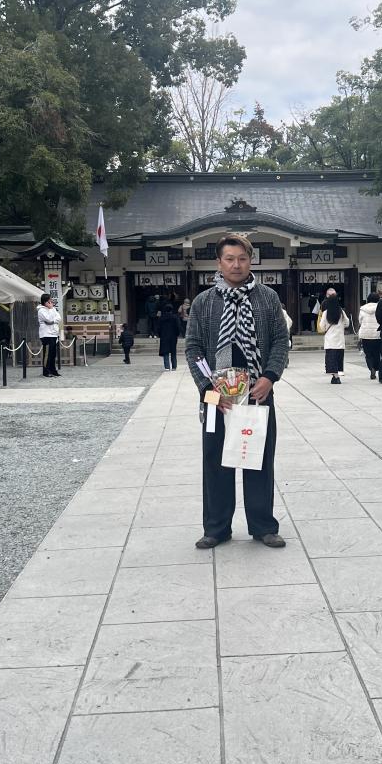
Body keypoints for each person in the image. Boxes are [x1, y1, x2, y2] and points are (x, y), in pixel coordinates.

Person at [184, 233, 289, 547]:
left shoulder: (268, 298)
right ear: (219, 262)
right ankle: (216, 528)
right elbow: (193, 348)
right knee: (216, 462)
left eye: (242, 258)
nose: (236, 265)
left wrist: (270, 376)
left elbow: (281, 341)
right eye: (229, 259)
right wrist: (209, 390)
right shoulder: (204, 302)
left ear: (251, 260)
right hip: (217, 397)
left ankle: (263, 526)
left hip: (258, 391)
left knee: (259, 460)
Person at [318, 292, 350, 383]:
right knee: (338, 358)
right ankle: (336, 376)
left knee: (331, 359)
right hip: (339, 339)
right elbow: (347, 323)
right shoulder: (341, 312)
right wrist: (341, 326)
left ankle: (335, 377)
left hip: (330, 340)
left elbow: (322, 327)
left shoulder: (325, 313)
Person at [357, 293, 381, 379]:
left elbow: (360, 320)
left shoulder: (363, 309)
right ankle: (376, 367)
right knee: (377, 353)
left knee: (368, 354)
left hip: (365, 334)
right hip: (377, 333)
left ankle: (371, 368)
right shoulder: (380, 307)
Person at [37, 293, 61, 377]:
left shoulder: (52, 309)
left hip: (54, 333)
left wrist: (53, 321)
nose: (51, 302)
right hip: (46, 334)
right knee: (47, 354)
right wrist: (51, 310)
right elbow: (48, 319)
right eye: (50, 300)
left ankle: (53, 370)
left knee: (53, 354)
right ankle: (46, 371)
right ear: (46, 302)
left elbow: (58, 318)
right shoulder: (41, 310)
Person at [157, 300, 180, 370]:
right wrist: (177, 334)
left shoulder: (161, 318)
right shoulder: (175, 317)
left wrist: (160, 335)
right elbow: (178, 327)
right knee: (173, 352)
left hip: (164, 336)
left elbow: (158, 328)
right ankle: (174, 366)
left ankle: (167, 367)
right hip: (173, 337)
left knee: (165, 352)